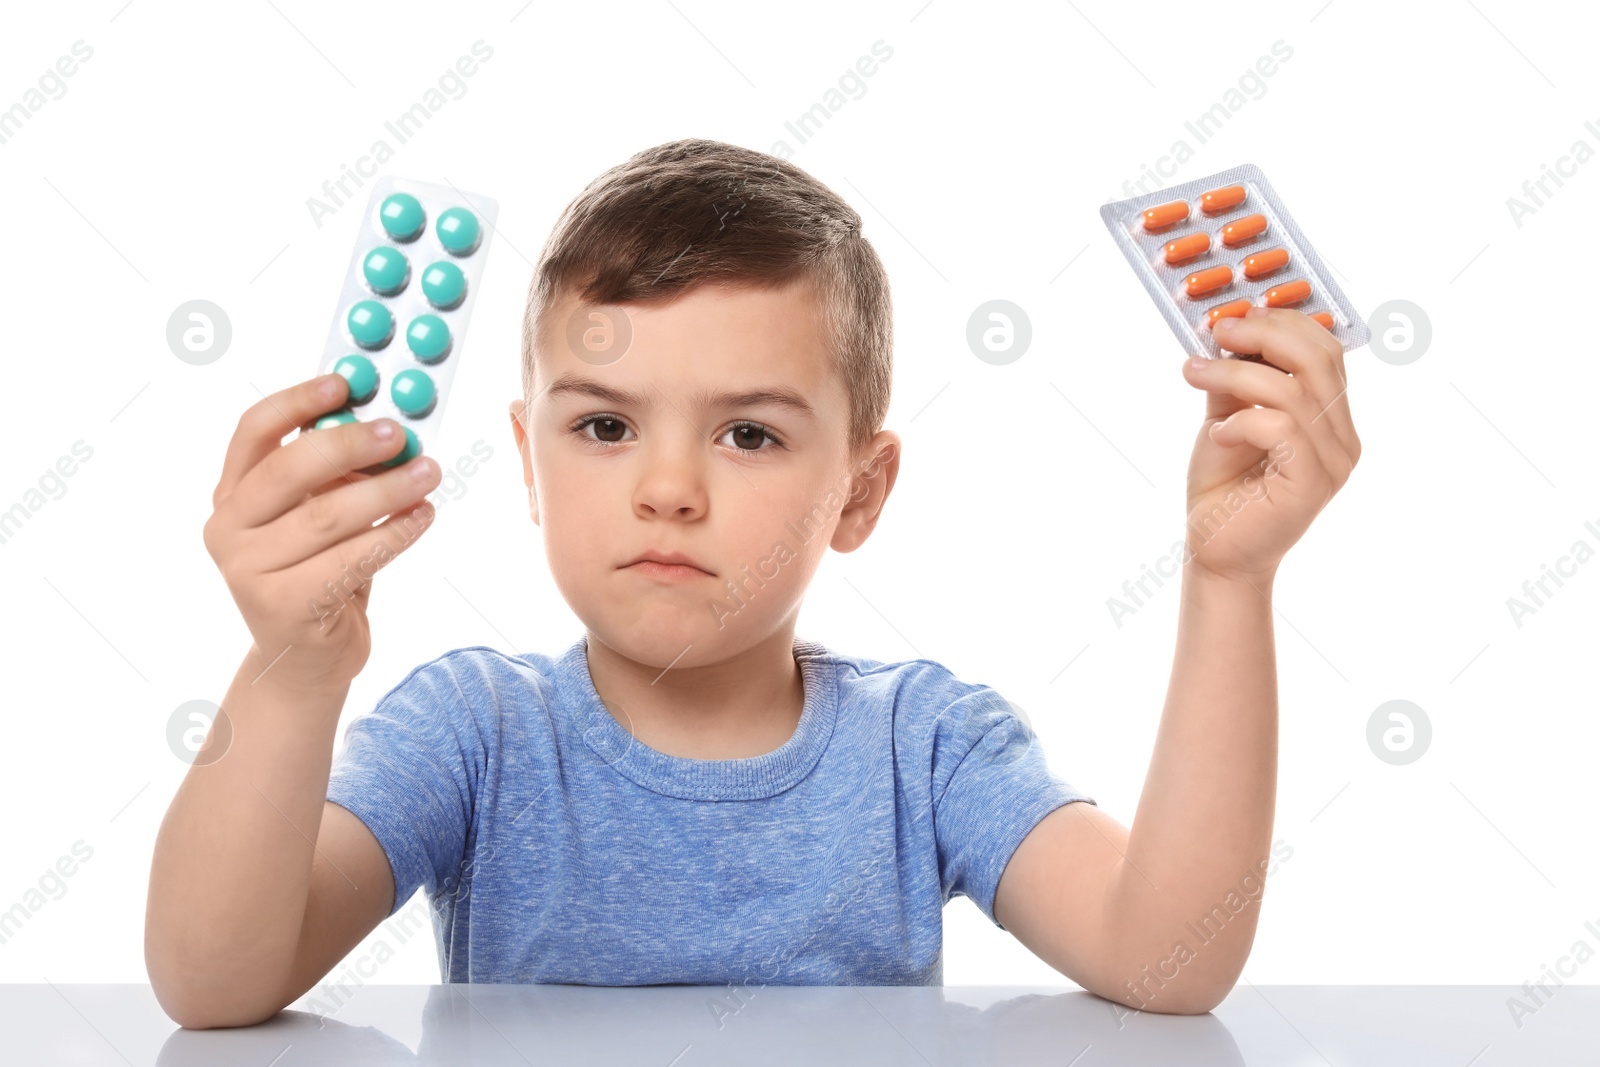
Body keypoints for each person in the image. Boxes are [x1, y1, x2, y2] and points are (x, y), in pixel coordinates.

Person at [145, 139, 1359, 1029]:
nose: (668, 488)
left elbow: (1165, 957)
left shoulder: (924, 746)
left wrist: (1227, 577)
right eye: (607, 426)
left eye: (750, 435)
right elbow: (213, 981)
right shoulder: (474, 731)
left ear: (860, 492)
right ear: (527, 460)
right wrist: (293, 669)